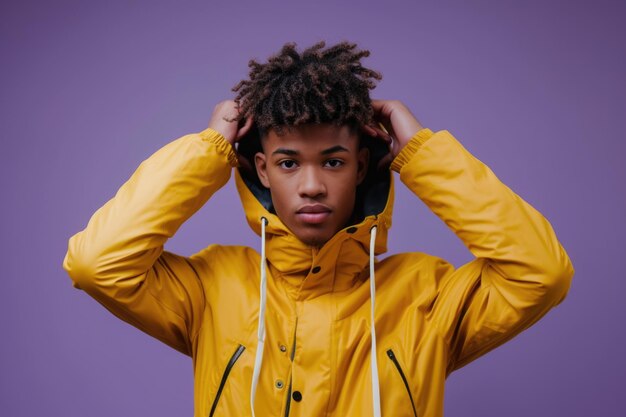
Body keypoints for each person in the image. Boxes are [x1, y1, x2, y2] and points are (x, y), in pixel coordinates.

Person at [62, 40, 575, 417]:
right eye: (289, 164)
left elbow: (541, 272)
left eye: (332, 162)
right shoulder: (212, 288)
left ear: (363, 168)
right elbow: (96, 263)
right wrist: (209, 149)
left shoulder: (426, 298)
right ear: (262, 170)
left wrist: (423, 153)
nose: (311, 186)